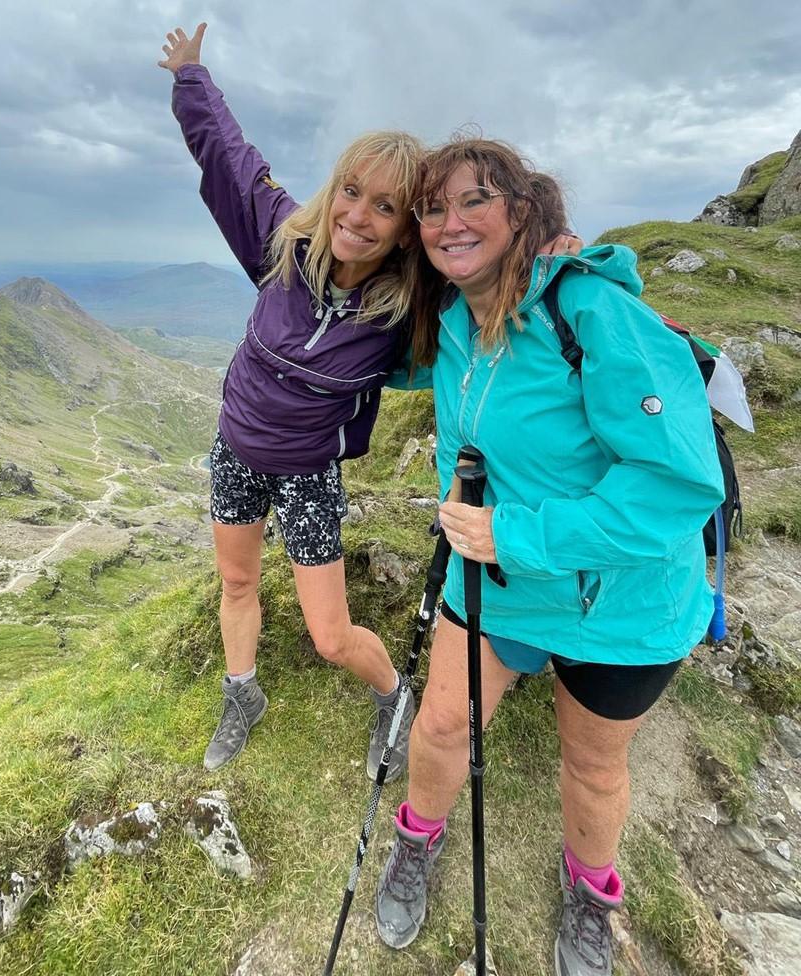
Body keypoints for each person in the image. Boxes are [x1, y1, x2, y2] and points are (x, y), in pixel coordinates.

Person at [375, 138, 725, 976]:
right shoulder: (452, 322)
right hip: (496, 585)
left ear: (522, 213)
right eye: (432, 209)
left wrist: (518, 535)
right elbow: (364, 345)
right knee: (443, 722)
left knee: (594, 764)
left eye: (474, 201)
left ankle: (591, 894)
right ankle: (418, 840)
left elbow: (676, 485)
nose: (448, 223)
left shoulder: (597, 314)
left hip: (625, 602)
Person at [158, 23, 426, 777]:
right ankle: (241, 693)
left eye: (384, 207)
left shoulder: (403, 316)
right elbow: (230, 160)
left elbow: (491, 299)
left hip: (309, 474)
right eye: (351, 191)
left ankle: (395, 697)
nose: (357, 216)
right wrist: (190, 78)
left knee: (331, 636)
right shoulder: (281, 244)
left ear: (407, 231)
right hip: (235, 449)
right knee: (237, 583)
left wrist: (558, 252)